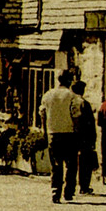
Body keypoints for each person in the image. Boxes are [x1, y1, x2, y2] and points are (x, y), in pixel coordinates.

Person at [39, 70, 77, 203]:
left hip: (53, 133)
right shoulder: (72, 96)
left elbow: (42, 114)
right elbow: (75, 115)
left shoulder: (48, 95)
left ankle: (56, 192)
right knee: (71, 165)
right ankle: (68, 191)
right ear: (69, 81)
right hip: (69, 133)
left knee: (56, 164)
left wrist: (45, 132)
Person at [71, 80, 97, 195]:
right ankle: (84, 186)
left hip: (71, 135)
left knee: (71, 162)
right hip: (84, 137)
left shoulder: (70, 102)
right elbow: (90, 123)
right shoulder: (84, 103)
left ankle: (71, 185)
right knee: (85, 163)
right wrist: (93, 138)